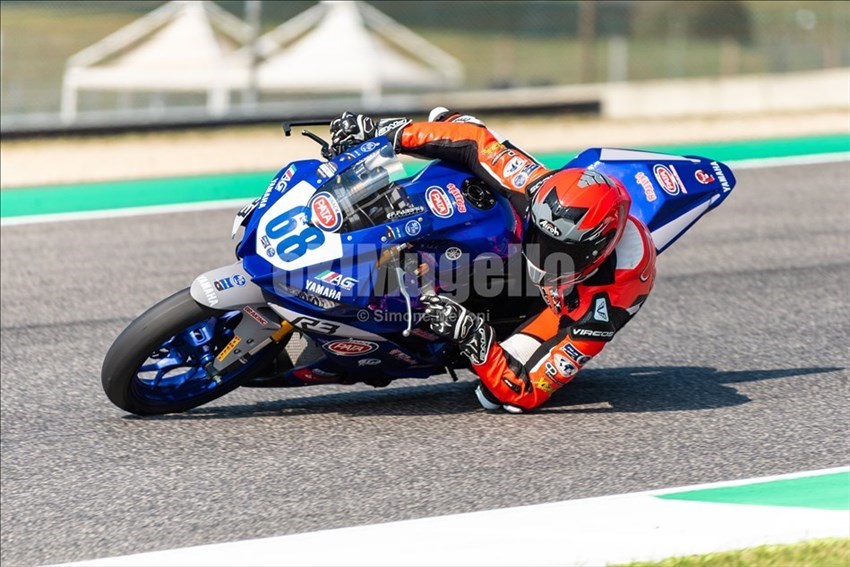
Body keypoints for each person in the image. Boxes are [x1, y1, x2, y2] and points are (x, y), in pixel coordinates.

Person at [329, 109, 656, 413]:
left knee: (498, 398)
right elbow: (475, 141)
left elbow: (527, 391)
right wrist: (386, 133)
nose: (540, 248)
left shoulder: (600, 308)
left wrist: (474, 336)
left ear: (593, 251)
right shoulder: (536, 187)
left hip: (564, 304)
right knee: (452, 120)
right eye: (540, 234)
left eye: (554, 245)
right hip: (544, 243)